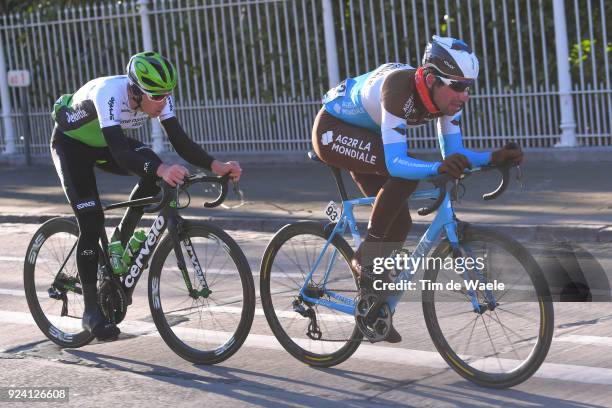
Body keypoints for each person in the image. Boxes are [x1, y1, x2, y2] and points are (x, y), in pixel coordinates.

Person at [312, 36, 523, 342]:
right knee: (406, 176)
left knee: (401, 221)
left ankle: (374, 308)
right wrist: (436, 168)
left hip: (370, 138)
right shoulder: (397, 88)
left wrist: (495, 157)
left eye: (469, 87)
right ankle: (365, 258)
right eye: (458, 86)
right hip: (334, 130)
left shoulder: (447, 98)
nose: (464, 95)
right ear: (430, 78)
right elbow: (397, 162)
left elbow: (454, 155)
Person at [50, 51, 241, 341]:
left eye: (167, 95)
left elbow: (180, 140)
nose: (163, 102)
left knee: (154, 172)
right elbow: (122, 154)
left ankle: (119, 240)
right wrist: (163, 168)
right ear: (137, 92)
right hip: (71, 146)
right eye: (157, 97)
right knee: (91, 220)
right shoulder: (108, 94)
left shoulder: (159, 96)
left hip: (103, 144)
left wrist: (217, 165)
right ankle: (90, 312)